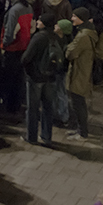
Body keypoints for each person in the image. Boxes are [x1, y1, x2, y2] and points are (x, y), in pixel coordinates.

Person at [21, 16, 63, 147]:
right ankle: (46, 136)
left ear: (44, 24)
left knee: (32, 109)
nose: (37, 22)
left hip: (36, 77)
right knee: (47, 107)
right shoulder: (56, 38)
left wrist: (29, 72)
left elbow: (26, 58)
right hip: (51, 77)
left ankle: (31, 137)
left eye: (40, 20)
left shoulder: (39, 37)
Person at [65, 7, 98, 141]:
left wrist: (68, 47)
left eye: (74, 16)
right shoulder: (89, 32)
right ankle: (81, 129)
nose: (72, 18)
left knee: (78, 102)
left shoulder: (82, 36)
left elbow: (70, 53)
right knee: (79, 102)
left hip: (80, 72)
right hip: (84, 70)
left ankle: (82, 132)